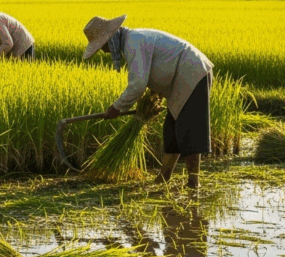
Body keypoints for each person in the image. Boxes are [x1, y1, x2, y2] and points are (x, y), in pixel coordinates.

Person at [82, 15, 213, 189]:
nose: (104, 51)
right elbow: (155, 69)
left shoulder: (133, 42)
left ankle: (193, 182)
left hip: (192, 73)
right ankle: (163, 178)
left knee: (188, 129)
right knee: (172, 131)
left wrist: (116, 108)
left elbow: (137, 84)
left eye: (102, 46)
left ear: (109, 39)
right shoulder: (132, 41)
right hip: (180, 80)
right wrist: (152, 98)